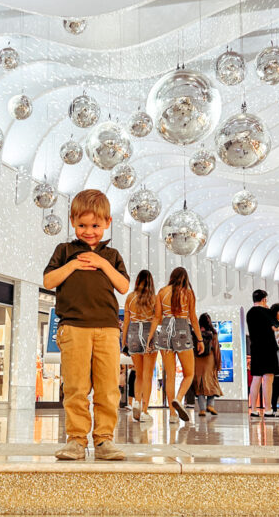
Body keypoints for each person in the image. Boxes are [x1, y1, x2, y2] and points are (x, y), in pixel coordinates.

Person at [43, 189, 130, 461]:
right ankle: (76, 440)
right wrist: (74, 266)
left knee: (107, 387)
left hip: (106, 328)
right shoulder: (65, 251)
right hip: (73, 328)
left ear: (108, 223)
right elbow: (48, 281)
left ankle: (104, 440)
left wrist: (102, 263)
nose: (89, 231)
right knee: (76, 387)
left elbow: (124, 286)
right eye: (82, 225)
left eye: (95, 225)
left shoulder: (112, 255)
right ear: (72, 222)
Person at [149, 267, 203, 423]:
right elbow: (192, 318)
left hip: (165, 331)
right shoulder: (188, 293)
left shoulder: (162, 292)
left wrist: (150, 337)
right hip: (182, 331)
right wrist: (199, 340)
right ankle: (179, 398)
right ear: (185, 278)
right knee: (189, 373)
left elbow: (157, 317)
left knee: (170, 376)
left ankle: (173, 415)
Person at [122, 269, 158, 424]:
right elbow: (158, 320)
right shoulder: (154, 299)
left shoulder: (130, 297)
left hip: (134, 334)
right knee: (148, 375)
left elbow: (126, 321)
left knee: (138, 373)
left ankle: (136, 401)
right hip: (149, 333)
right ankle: (144, 410)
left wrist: (124, 341)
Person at [246, 289, 279, 418]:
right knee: (268, 379)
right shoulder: (266, 311)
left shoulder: (250, 312)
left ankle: (253, 409)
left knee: (256, 378)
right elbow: (277, 325)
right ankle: (268, 409)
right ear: (264, 299)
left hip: (255, 348)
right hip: (268, 348)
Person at [193, 312, 222, 416]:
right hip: (210, 360)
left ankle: (202, 409)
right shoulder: (213, 333)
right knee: (211, 382)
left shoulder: (195, 333)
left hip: (197, 360)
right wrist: (218, 364)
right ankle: (210, 405)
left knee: (199, 384)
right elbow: (217, 350)